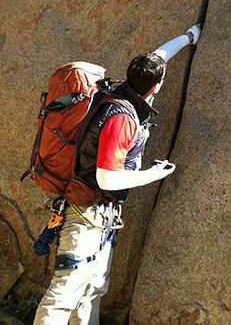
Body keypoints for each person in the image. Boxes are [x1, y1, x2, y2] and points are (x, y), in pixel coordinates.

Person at [33, 23, 201, 325]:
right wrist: (153, 174)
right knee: (64, 294)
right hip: (88, 215)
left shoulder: (124, 87)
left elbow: (160, 55)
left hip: (101, 216)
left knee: (93, 289)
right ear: (157, 87)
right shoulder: (122, 117)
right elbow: (106, 178)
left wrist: (189, 37)